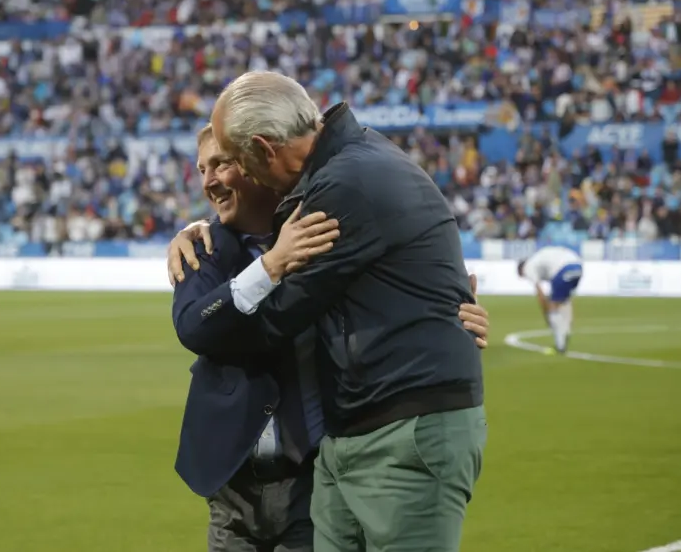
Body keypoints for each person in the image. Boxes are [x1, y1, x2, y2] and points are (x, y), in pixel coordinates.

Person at [178, 71, 488, 552]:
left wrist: (258, 277)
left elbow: (276, 317)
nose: (225, 177)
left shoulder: (342, 186)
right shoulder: (356, 159)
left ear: (264, 149)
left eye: (235, 161)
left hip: (402, 428)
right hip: (358, 433)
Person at [517, 246, 584, 355]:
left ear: (521, 269)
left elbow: (540, 294)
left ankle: (560, 345)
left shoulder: (529, 267)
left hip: (564, 269)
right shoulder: (539, 259)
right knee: (564, 301)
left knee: (553, 308)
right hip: (578, 267)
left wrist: (547, 314)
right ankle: (566, 330)